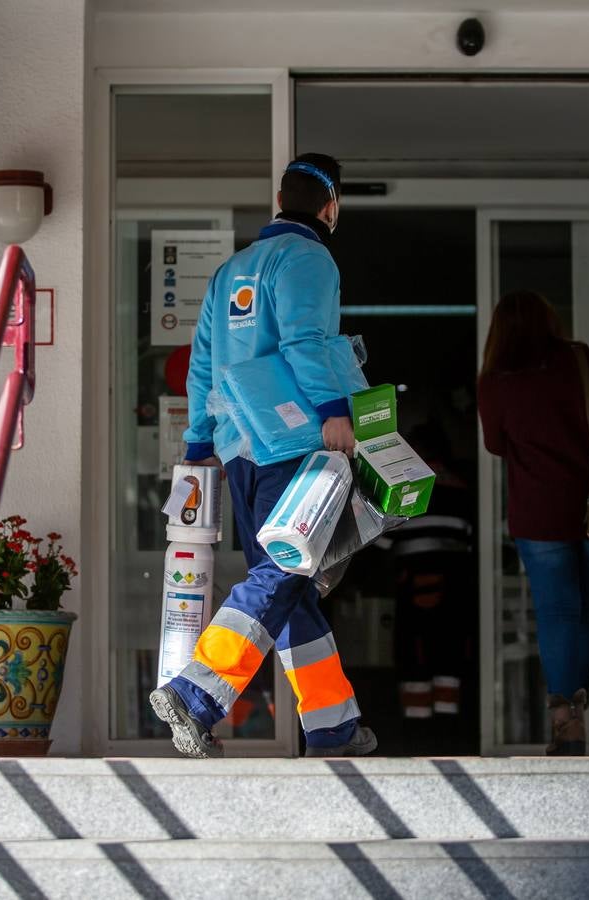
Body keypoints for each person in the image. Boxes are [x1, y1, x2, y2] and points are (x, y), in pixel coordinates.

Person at [149, 153, 377, 759]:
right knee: (284, 569)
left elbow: (202, 365)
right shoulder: (309, 258)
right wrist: (334, 408)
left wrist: (200, 444)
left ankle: (333, 725)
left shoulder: (231, 271)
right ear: (332, 206)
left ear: (280, 199)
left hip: (237, 449)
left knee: (289, 585)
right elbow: (308, 339)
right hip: (294, 443)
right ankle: (197, 694)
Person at [475, 290, 589, 757]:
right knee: (586, 610)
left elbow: (494, 445)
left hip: (537, 514)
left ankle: (565, 720)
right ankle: (575, 714)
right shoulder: (579, 361)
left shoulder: (495, 381)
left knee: (557, 614)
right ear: (550, 321)